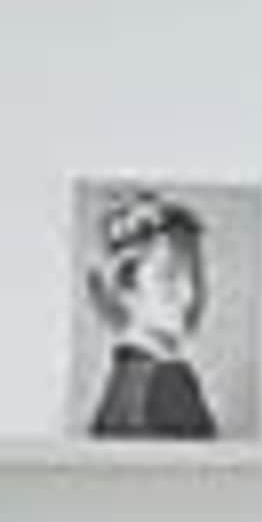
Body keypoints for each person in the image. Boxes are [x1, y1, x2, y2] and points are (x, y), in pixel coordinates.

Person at [78, 188, 218, 440]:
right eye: (169, 277)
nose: (189, 296)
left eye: (195, 278)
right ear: (123, 287)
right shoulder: (169, 382)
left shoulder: (123, 378)